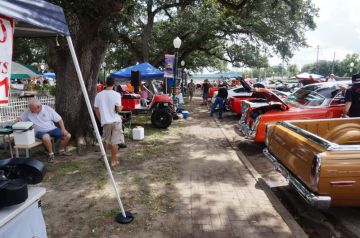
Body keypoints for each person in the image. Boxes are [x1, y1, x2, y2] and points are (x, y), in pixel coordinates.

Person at [94, 76, 124, 167]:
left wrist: (100, 118)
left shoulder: (99, 95)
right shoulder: (116, 94)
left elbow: (96, 108)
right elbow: (118, 110)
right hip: (116, 121)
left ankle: (103, 156)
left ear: (105, 83)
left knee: (105, 140)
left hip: (106, 121)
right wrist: (121, 108)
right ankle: (113, 161)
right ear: (114, 84)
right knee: (115, 142)